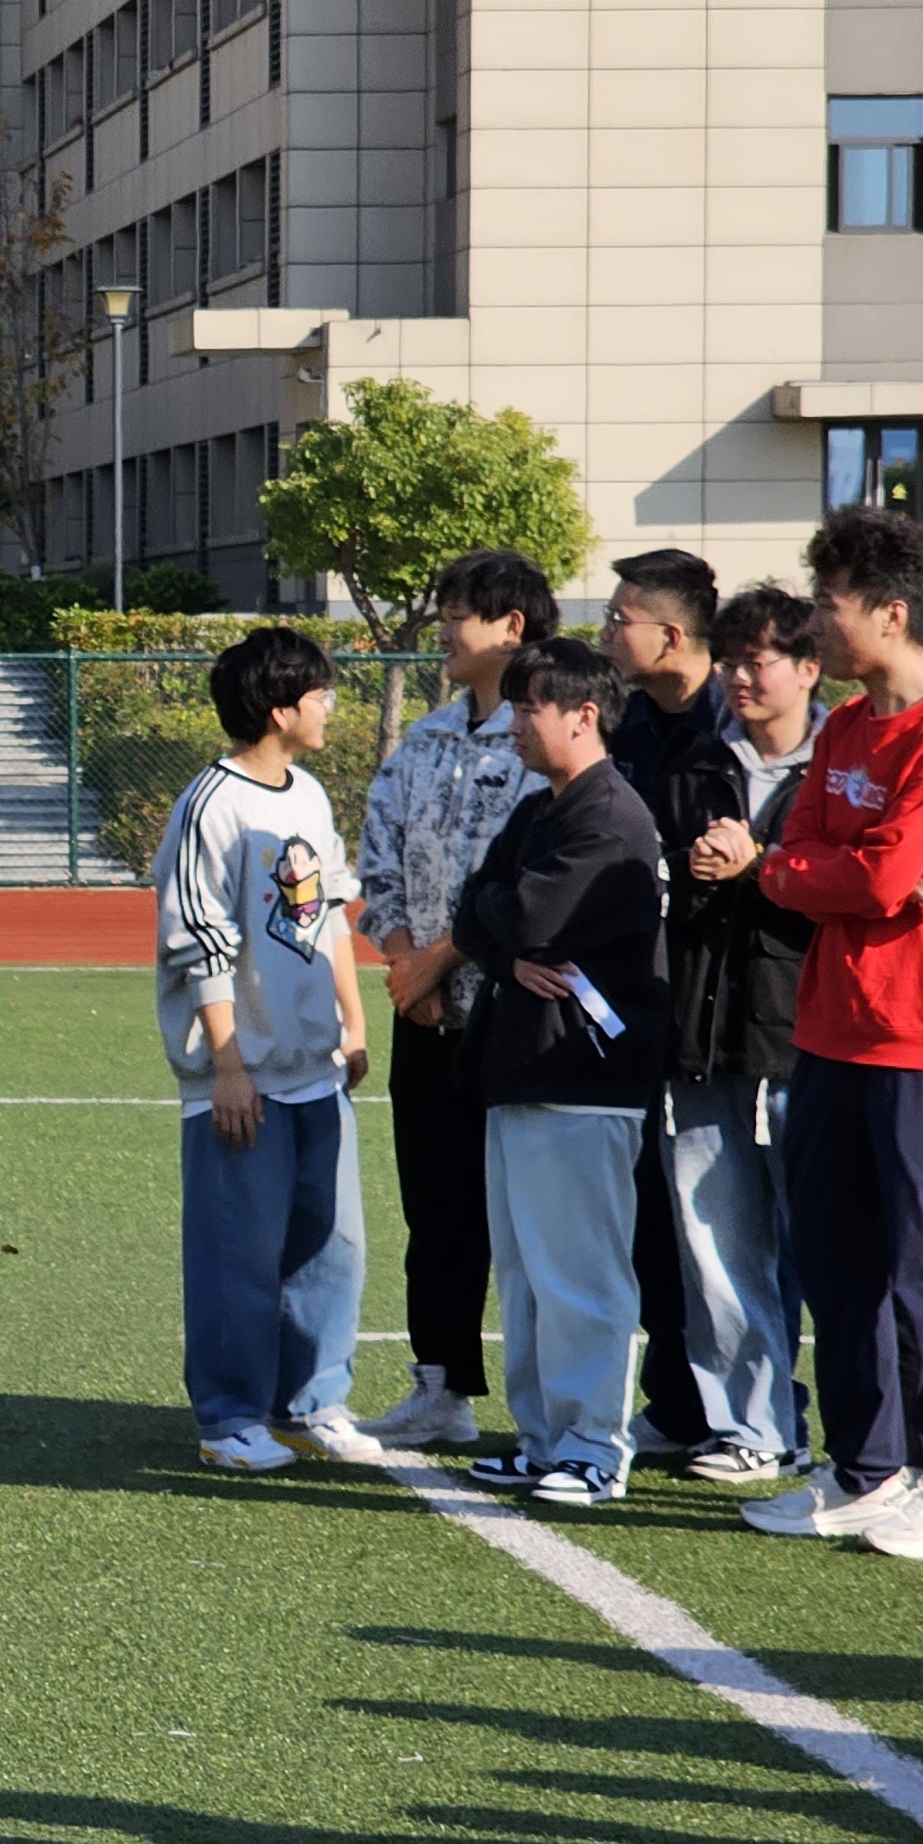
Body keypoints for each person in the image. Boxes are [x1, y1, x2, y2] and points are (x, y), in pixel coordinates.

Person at [706, 505, 923, 1560]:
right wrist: (830, 870)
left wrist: (840, 870)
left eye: (829, 601)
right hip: (830, 1032)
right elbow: (792, 862)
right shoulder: (842, 728)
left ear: (890, 613)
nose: (816, 618)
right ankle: (864, 1470)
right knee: (836, 1263)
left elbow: (871, 874)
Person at [146, 628, 377, 1472]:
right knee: (237, 1253)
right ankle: (229, 1418)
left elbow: (329, 913)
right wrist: (228, 1067)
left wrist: (353, 1022)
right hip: (244, 1074)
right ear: (280, 710)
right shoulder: (211, 805)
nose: (329, 707)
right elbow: (198, 945)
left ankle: (310, 1401)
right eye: (319, 695)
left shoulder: (308, 795)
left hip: (316, 1068)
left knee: (331, 1245)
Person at [451, 640, 672, 1506]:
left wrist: (503, 928)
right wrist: (507, 946)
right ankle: (544, 1438)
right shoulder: (545, 808)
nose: (513, 724)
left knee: (580, 1277)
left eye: (529, 708)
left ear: (583, 716)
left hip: (584, 1076)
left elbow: (528, 913)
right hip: (526, 1068)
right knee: (527, 1275)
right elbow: (476, 913)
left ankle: (591, 1447)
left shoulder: (609, 814)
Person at [356, 545, 553, 1447]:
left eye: (457, 616)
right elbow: (379, 856)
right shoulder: (427, 740)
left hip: (518, 1015)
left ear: (511, 626)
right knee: (435, 1206)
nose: (442, 630)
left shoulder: (549, 738)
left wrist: (438, 963)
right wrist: (406, 965)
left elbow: (535, 884)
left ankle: (556, 1407)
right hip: (424, 1014)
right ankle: (439, 1386)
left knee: (527, 1215)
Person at [662, 586, 825, 1480]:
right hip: (704, 1037)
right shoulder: (694, 763)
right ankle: (754, 1428)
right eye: (729, 662)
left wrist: (762, 865)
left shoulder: (840, 767)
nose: (738, 678)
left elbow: (855, 885)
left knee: (828, 1247)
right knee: (715, 1244)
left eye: (756, 661)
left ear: (808, 668)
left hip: (808, 1041)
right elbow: (653, 881)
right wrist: (690, 868)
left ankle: (865, 1439)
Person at [600, 546, 744, 1461]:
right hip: (640, 1004)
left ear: (673, 633)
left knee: (727, 1222)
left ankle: (753, 1415)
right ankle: (679, 1403)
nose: (608, 632)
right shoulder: (628, 726)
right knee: (652, 1215)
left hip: (726, 1011)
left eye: (621, 618)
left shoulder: (734, 727)